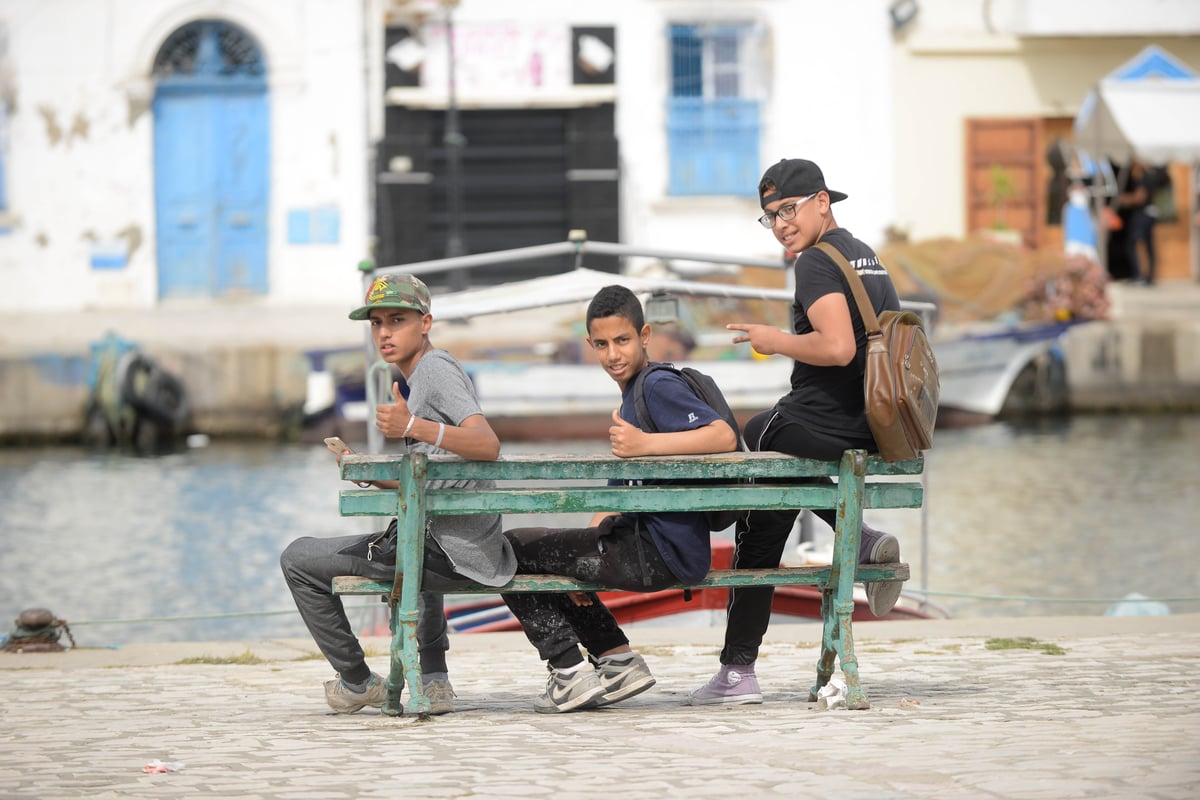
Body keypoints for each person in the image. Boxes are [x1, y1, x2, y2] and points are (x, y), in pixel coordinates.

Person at [688, 158, 904, 706]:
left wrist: (772, 338)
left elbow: (837, 348)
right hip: (873, 424)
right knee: (767, 515)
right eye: (770, 216)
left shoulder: (814, 262)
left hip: (823, 420)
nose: (781, 223)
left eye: (789, 209)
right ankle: (862, 542)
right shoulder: (864, 254)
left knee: (758, 433)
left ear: (822, 202)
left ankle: (739, 673)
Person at [280, 273, 516, 715]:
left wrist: (410, 426)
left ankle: (356, 681)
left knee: (298, 558)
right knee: (412, 538)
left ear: (425, 323)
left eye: (396, 320)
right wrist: (372, 474)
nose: (384, 333)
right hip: (459, 545)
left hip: (448, 551)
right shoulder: (423, 375)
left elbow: (487, 444)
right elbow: (430, 484)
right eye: (376, 323)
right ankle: (434, 678)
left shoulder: (434, 370)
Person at [500, 284, 738, 713]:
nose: (613, 354)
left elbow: (722, 435)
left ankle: (569, 671)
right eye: (602, 344)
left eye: (623, 341)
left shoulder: (657, 385)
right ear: (591, 344)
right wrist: (576, 564)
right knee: (545, 552)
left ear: (645, 335)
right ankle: (616, 660)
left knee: (505, 549)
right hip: (655, 549)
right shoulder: (633, 396)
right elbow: (616, 499)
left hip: (658, 551)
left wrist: (645, 444)